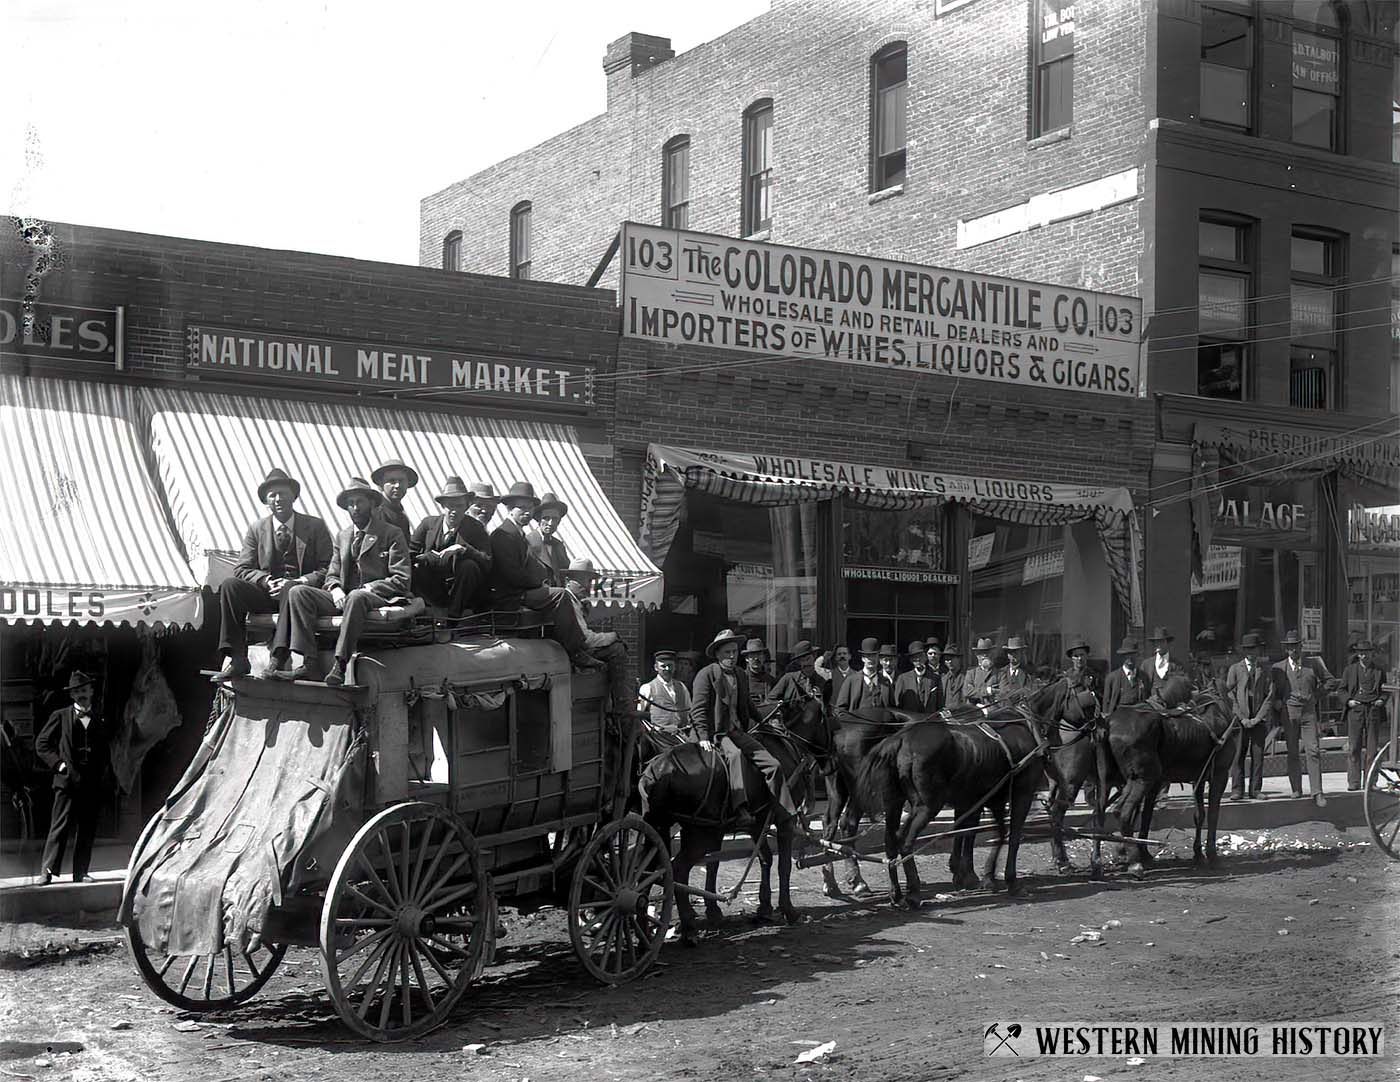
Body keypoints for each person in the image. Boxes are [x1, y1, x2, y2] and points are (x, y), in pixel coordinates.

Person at [273, 477, 412, 686]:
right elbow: (332, 573)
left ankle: (340, 664)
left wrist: (370, 587)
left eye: (360, 502)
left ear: (372, 503)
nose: (355, 508)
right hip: (345, 597)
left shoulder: (391, 533)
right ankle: (309, 662)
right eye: (350, 503)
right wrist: (336, 588)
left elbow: (401, 579)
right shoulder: (343, 536)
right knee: (297, 592)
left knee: (357, 596)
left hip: (379, 596)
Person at [214, 467, 333, 681]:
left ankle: (278, 657)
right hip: (266, 596)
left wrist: (300, 581)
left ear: (293, 497)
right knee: (230, 585)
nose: (278, 499)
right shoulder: (256, 529)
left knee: (292, 588)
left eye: (283, 494)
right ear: (266, 501)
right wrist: (267, 581)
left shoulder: (315, 526)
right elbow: (242, 568)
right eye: (272, 495)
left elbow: (329, 567)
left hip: (301, 599)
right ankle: (238, 658)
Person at [486, 482, 602, 670]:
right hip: (510, 596)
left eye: (530, 508)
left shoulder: (518, 533)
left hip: (520, 592)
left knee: (561, 596)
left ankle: (570, 649)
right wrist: (539, 583)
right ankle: (576, 651)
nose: (527, 512)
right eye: (521, 508)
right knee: (559, 595)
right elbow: (512, 575)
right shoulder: (503, 534)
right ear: (509, 509)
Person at [690, 628, 796, 822]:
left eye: (734, 652)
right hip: (717, 734)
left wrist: (765, 722)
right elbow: (698, 710)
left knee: (773, 763)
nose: (731, 656)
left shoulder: (740, 674)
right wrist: (704, 736)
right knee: (735, 755)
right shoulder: (706, 675)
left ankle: (785, 811)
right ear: (717, 654)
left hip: (737, 731)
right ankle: (740, 808)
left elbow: (748, 705)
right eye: (726, 653)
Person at [35, 670, 108, 884]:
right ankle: (47, 871)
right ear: (71, 695)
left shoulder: (99, 717)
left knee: (87, 828)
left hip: (90, 782)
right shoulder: (60, 715)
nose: (82, 695)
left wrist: (102, 774)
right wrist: (58, 764)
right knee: (59, 826)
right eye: (77, 692)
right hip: (66, 780)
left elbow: (105, 750)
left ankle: (81, 872)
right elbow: (42, 744)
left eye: (84, 690)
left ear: (91, 691)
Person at [409, 475, 492, 617]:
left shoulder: (475, 527)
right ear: (442, 506)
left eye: (459, 506)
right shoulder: (428, 524)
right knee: (416, 567)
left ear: (466, 506)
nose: (454, 511)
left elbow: (487, 560)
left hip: (461, 590)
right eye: (450, 506)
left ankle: (453, 618)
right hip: (431, 587)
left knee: (469, 566)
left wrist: (464, 549)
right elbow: (409, 554)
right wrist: (426, 557)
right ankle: (428, 609)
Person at [1271, 629, 1330, 807]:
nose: (1293, 651)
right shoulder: (1278, 668)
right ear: (1286, 649)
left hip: (1309, 713)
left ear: (1301, 647)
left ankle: (1317, 792)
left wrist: (1316, 695)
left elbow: (1330, 681)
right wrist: (1278, 703)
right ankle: (1296, 788)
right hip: (1289, 714)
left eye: (1296, 647)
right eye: (1290, 648)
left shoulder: (1313, 664)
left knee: (1313, 751)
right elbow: (1272, 692)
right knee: (1293, 752)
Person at [1225, 630, 1275, 800]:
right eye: (1248, 649)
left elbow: (1270, 695)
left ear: (1259, 651)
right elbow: (1229, 694)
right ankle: (1237, 789)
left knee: (1258, 755)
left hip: (1258, 720)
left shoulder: (1265, 669)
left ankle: (1255, 789)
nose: (1251, 653)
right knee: (1238, 754)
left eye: (1254, 649)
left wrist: (1257, 718)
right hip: (1241, 720)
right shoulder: (1235, 669)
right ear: (1244, 651)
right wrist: (1242, 718)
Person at [1341, 640, 1388, 792]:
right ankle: (1354, 782)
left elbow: (1385, 691)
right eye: (1361, 653)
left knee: (1372, 750)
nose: (1364, 656)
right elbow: (1341, 690)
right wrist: (1349, 701)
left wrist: (1381, 699)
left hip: (1373, 710)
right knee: (1354, 748)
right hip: (1356, 711)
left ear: (1371, 653)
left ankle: (1370, 782)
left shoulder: (1379, 671)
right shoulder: (1350, 670)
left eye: (1367, 653)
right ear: (1358, 654)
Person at [833, 637, 893, 716]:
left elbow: (893, 709)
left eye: (874, 655)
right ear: (863, 658)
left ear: (878, 657)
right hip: (857, 726)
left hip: (881, 726)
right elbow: (840, 710)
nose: (871, 659)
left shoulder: (885, 682)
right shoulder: (851, 680)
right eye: (868, 656)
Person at [638, 650, 691, 733]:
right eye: (663, 666)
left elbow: (689, 710)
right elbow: (639, 715)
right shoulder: (647, 688)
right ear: (656, 667)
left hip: (682, 735)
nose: (667, 669)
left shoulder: (682, 686)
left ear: (674, 667)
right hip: (659, 738)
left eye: (670, 666)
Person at [766, 640, 826, 710]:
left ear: (814, 657)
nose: (806, 663)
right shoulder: (788, 678)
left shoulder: (821, 681)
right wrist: (783, 707)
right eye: (802, 660)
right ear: (798, 662)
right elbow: (770, 699)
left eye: (808, 659)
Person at [527, 492, 570, 587]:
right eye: (546, 518)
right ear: (538, 519)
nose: (550, 523)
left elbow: (566, 573)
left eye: (555, 519)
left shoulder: (559, 545)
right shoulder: (527, 542)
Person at [371, 458, 419, 542]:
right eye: (391, 481)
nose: (397, 485)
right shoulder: (377, 512)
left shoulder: (401, 514)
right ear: (381, 485)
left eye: (401, 480)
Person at [1102, 638, 1148, 716]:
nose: (1130, 657)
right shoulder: (1112, 678)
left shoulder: (1143, 676)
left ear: (1137, 655)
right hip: (1119, 717)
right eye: (1127, 654)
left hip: (1138, 717)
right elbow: (1106, 702)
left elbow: (1147, 698)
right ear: (1122, 656)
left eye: (1133, 654)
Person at [894, 639, 940, 712]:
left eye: (920, 656)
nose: (918, 659)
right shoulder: (903, 678)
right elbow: (897, 704)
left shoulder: (935, 678)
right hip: (910, 720)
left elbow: (939, 705)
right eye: (915, 657)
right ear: (911, 660)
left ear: (925, 657)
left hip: (929, 721)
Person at [1142, 626, 1186, 698]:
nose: (1158, 645)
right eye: (1156, 642)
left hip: (1171, 704)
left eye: (1162, 642)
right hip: (1151, 705)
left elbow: (1182, 686)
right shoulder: (1146, 664)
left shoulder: (1177, 665)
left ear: (1167, 643)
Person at [961, 637, 999, 706]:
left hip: (993, 712)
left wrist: (975, 691)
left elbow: (1001, 692)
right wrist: (988, 691)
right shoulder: (971, 673)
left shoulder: (999, 673)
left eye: (987, 652)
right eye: (981, 653)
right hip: (974, 712)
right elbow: (966, 691)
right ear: (977, 655)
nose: (985, 655)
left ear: (992, 654)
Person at [997, 636, 1035, 701]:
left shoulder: (1029, 672)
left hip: (1022, 708)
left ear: (1022, 653)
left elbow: (1030, 691)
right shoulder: (1001, 672)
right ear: (1008, 655)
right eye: (1011, 652)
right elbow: (1001, 692)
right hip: (1004, 708)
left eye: (1017, 652)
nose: (1014, 655)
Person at [742, 638, 773, 705]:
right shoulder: (741, 679)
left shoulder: (771, 681)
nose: (756, 658)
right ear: (747, 659)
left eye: (759, 654)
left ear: (764, 657)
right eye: (752, 655)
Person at [941, 643, 966, 710]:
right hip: (947, 716)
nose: (949, 661)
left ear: (959, 659)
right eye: (946, 659)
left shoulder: (967, 677)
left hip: (964, 716)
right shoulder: (943, 680)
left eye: (951, 658)